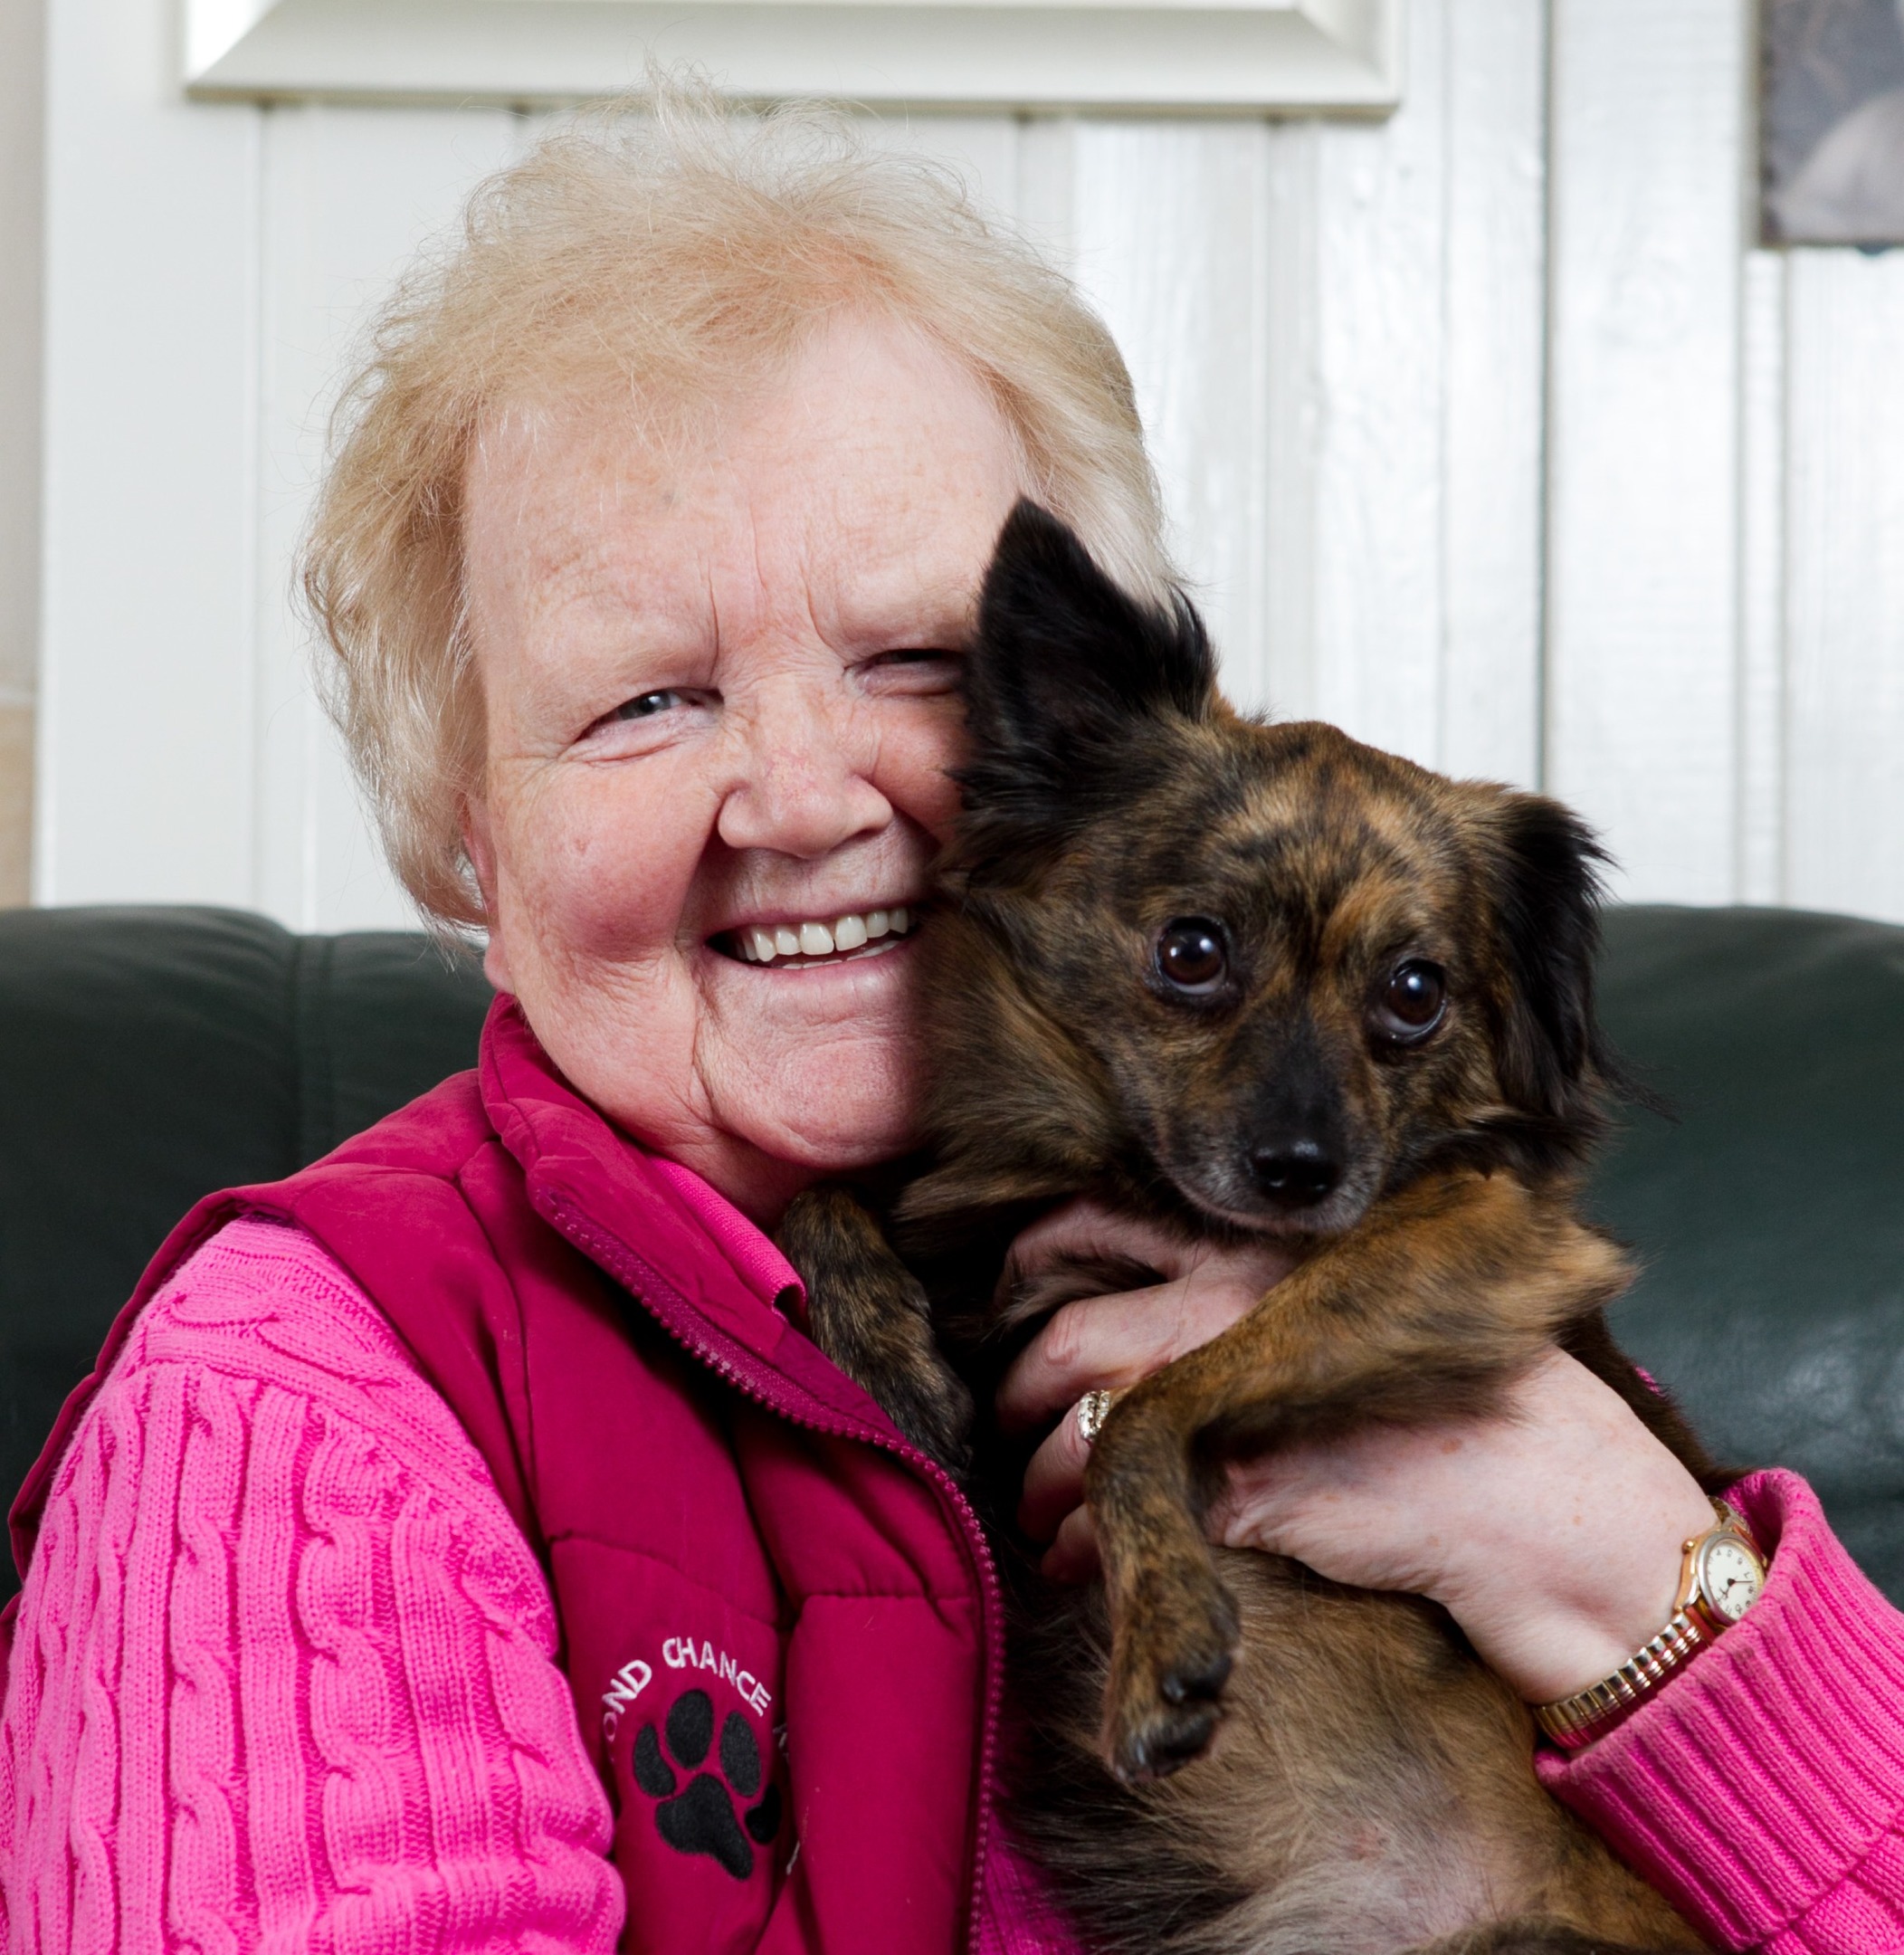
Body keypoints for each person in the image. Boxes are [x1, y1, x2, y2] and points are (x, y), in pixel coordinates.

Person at [3, 91, 1902, 1955]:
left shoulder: (1393, 1292)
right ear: (468, 847)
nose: (802, 797)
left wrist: (1617, 1570)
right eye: (645, 702)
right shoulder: (294, 1426)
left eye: (910, 660)